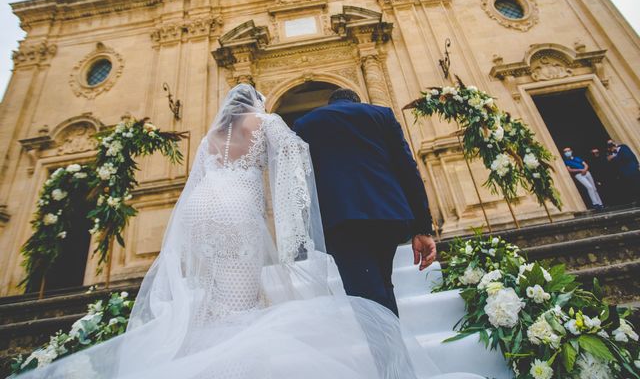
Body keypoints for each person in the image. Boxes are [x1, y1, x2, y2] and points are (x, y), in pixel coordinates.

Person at [15, 84, 484, 379]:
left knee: (218, 290)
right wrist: (298, 233)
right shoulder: (307, 120)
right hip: (288, 207)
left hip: (202, 206)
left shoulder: (218, 135)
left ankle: (211, 348)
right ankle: (384, 360)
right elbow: (298, 172)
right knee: (358, 286)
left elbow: (204, 176)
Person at [293, 88, 436, 317]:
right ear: (357, 101)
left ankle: (388, 350)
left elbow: (299, 182)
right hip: (387, 214)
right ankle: (393, 349)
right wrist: (423, 227)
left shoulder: (305, 124)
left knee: (364, 293)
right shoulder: (382, 115)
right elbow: (408, 169)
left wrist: (306, 230)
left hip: (339, 219)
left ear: (331, 103)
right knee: (382, 284)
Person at [563, 146, 604, 211]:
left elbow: (585, 164)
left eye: (568, 151)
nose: (567, 152)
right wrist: (580, 170)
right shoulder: (566, 161)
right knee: (589, 187)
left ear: (571, 151)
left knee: (594, 188)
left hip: (587, 173)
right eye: (565, 152)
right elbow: (570, 170)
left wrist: (584, 169)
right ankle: (595, 204)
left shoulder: (577, 158)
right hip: (578, 175)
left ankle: (600, 204)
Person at [607, 139, 640, 204]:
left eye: (612, 143)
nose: (611, 146)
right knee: (632, 186)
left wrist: (637, 163)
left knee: (637, 183)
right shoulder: (612, 154)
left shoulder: (623, 147)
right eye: (609, 145)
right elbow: (614, 164)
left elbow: (628, 156)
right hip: (624, 173)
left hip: (632, 169)